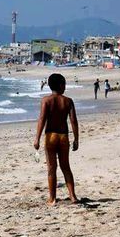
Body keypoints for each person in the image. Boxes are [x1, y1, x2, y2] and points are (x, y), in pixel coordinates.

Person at [33, 72, 79, 204]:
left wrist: (37, 138)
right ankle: (73, 196)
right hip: (63, 136)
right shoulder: (68, 101)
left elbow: (42, 119)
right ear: (60, 85)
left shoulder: (46, 100)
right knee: (66, 167)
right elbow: (74, 121)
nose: (65, 86)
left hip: (50, 137)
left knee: (51, 169)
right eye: (64, 83)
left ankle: (52, 198)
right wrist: (76, 139)